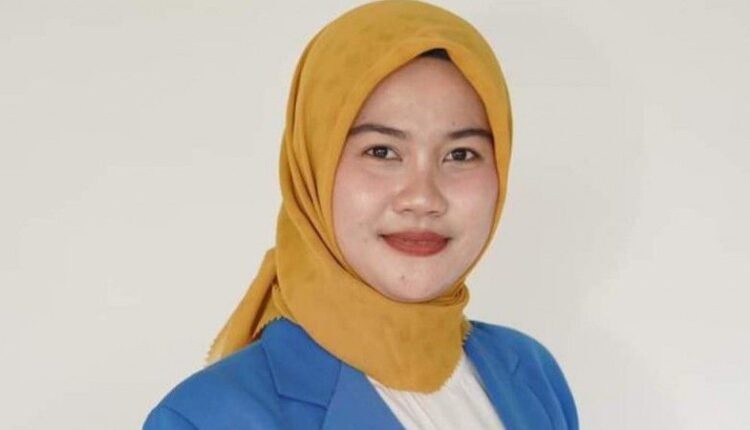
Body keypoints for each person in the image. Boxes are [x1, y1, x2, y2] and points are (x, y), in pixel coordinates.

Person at [143, 1, 578, 429]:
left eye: (461, 154)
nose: (422, 198)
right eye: (382, 151)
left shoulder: (532, 376)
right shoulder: (210, 418)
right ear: (313, 169)